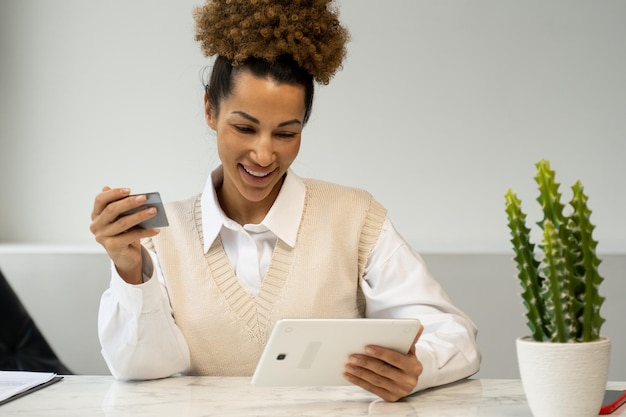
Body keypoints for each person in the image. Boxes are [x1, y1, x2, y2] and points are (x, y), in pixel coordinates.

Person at [90, 0, 480, 402]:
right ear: (209, 109)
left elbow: (455, 336)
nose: (263, 155)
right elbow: (140, 368)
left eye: (286, 133)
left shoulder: (354, 218)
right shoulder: (160, 240)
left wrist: (419, 368)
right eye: (245, 127)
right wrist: (130, 269)